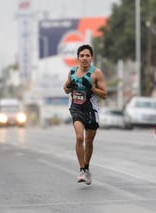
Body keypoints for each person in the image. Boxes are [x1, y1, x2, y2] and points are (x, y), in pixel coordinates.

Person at [63, 44, 107, 185]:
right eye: (82, 56)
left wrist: (92, 88)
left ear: (91, 58)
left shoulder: (96, 73)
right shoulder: (72, 72)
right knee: (79, 137)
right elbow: (65, 89)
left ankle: (87, 168)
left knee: (89, 141)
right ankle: (82, 170)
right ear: (78, 58)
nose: (84, 58)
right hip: (76, 107)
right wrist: (69, 87)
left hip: (91, 110)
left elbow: (104, 94)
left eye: (87, 55)